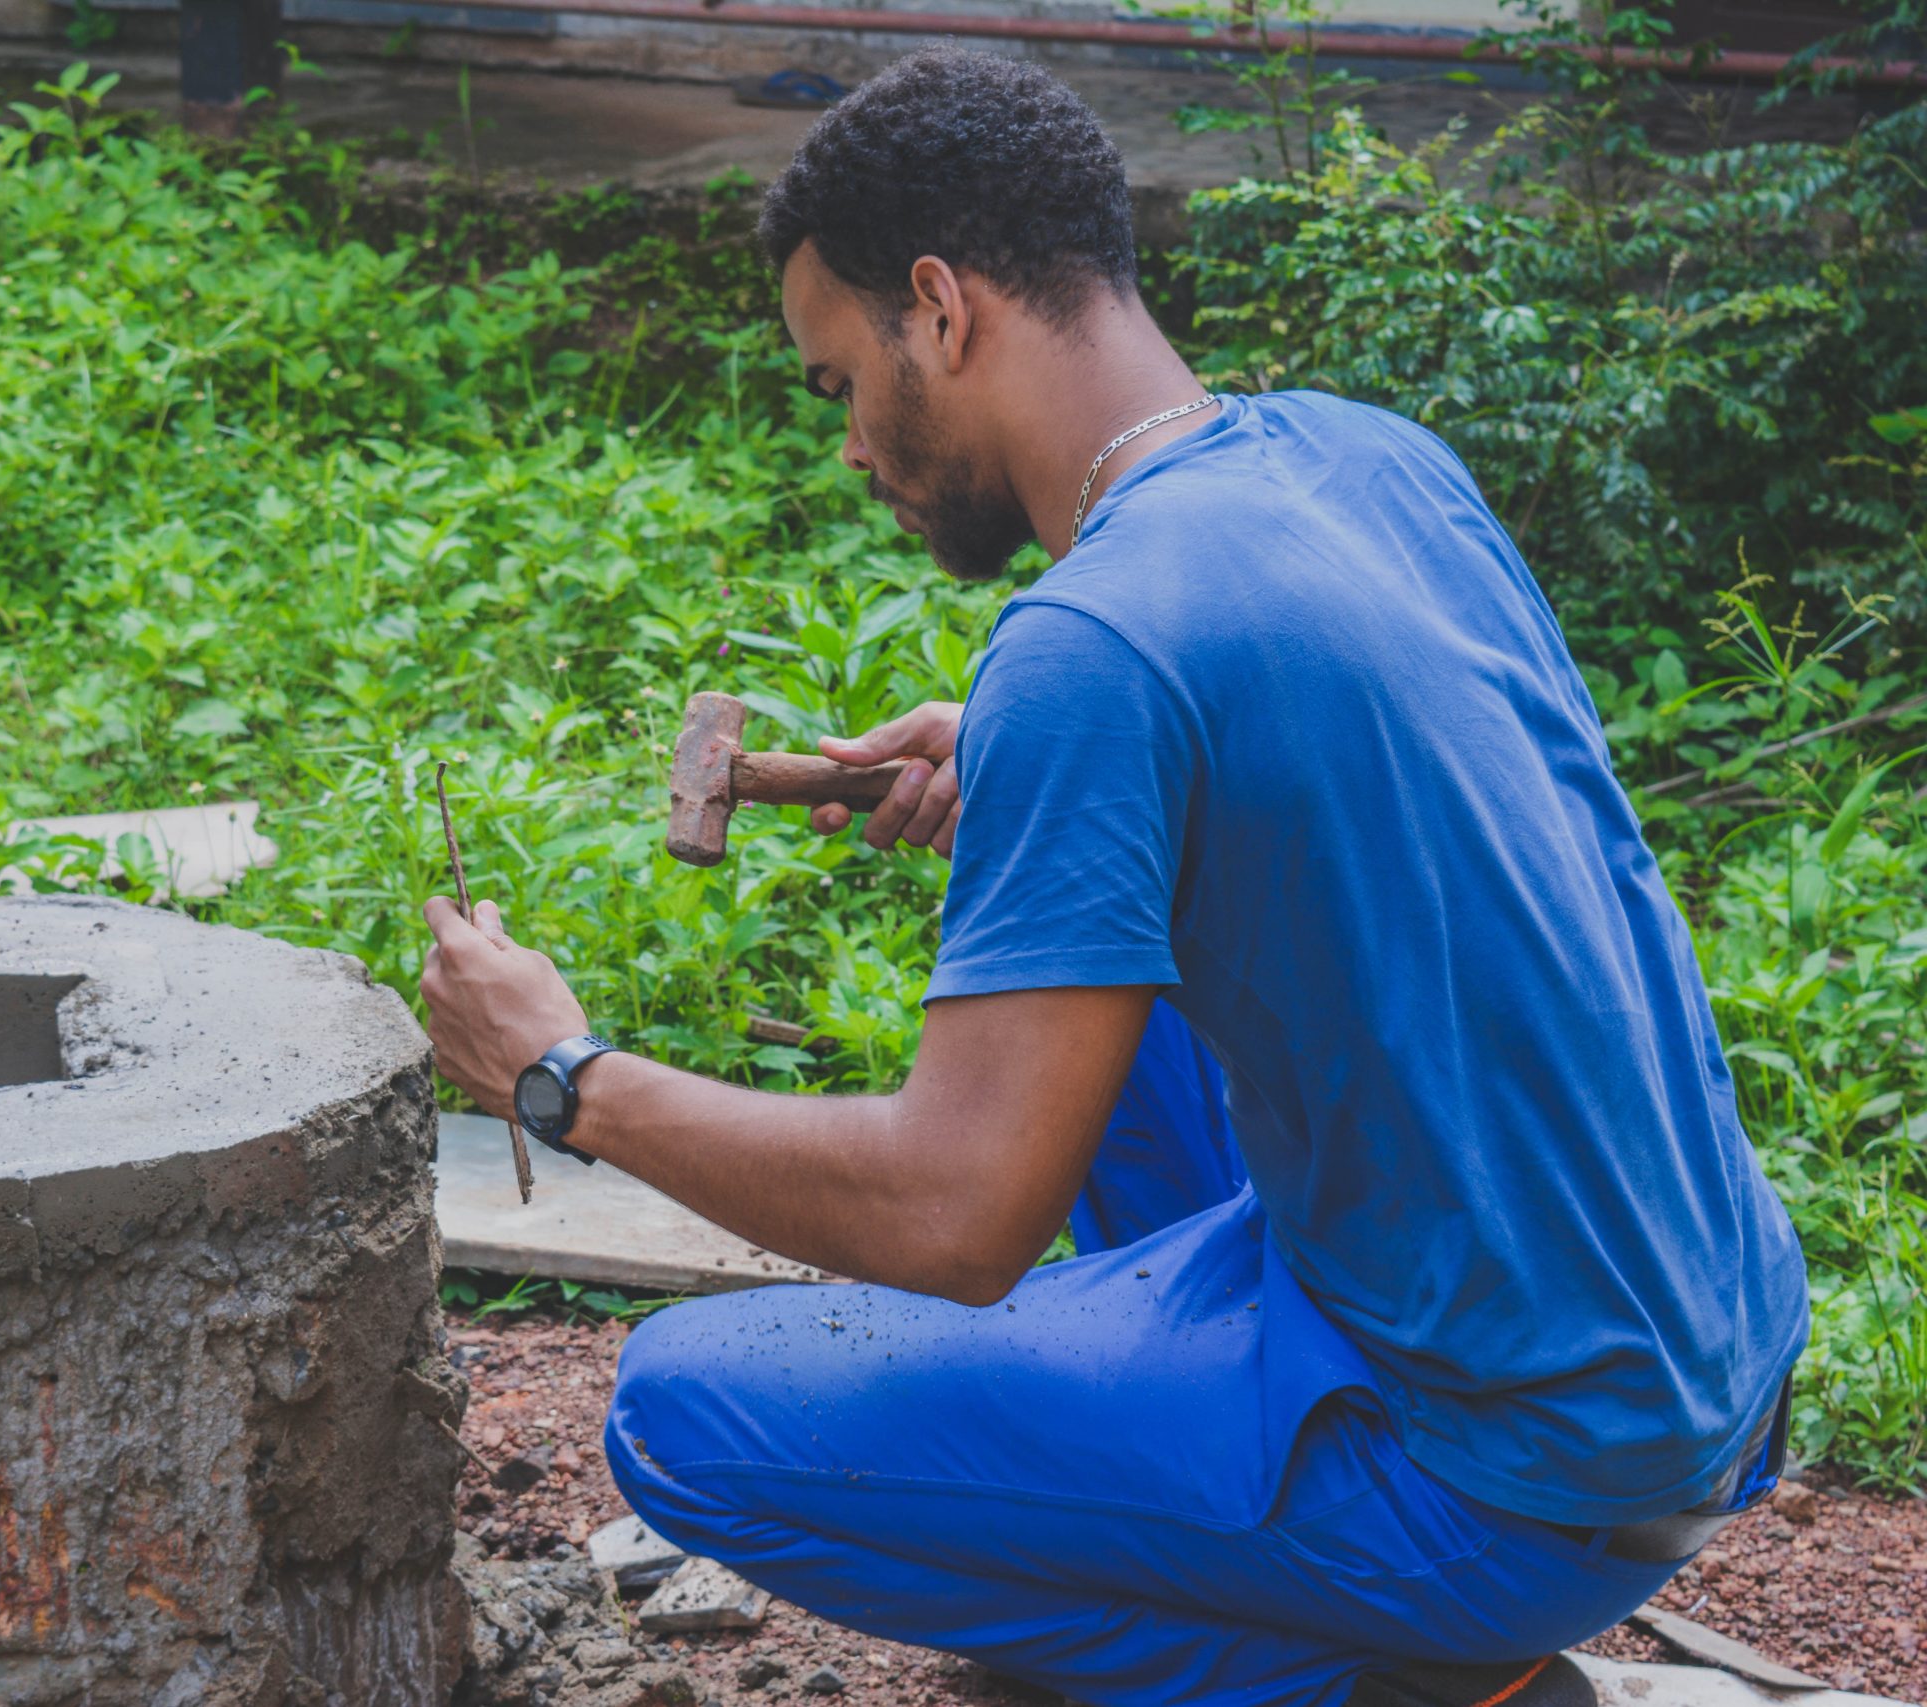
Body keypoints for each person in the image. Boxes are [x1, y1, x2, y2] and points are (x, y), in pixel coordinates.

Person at [415, 46, 1806, 1707]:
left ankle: (1401, 1683)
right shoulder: (1363, 457)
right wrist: (1027, 772)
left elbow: (958, 1219)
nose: (849, 444)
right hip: (1707, 1360)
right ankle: (1212, 1459)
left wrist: (566, 1079)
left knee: (683, 1414)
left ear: (937, 308)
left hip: (1507, 1485)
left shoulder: (1092, 648)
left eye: (835, 379)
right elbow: (1331, 768)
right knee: (1108, 960)